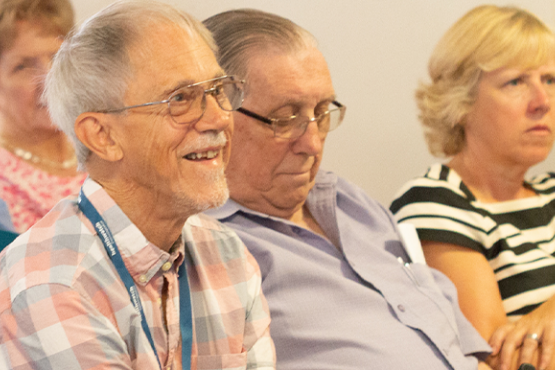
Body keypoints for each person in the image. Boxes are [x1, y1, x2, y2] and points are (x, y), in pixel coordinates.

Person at [203, 8, 491, 370]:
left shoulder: (350, 203)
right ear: (216, 118)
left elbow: (462, 343)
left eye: (322, 112)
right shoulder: (211, 247)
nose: (312, 143)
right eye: (285, 117)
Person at [0, 1, 275, 369]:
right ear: (102, 136)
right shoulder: (52, 284)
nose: (219, 118)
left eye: (217, 90)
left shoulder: (226, 252)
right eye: (180, 98)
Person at [390, 5, 555, 370]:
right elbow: (504, 357)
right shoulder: (435, 202)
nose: (542, 102)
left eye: (550, 80)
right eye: (516, 82)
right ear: (460, 101)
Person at [0, 0, 86, 234]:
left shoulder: (98, 136)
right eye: (24, 66)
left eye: (57, 56)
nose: (49, 78)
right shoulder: (4, 187)